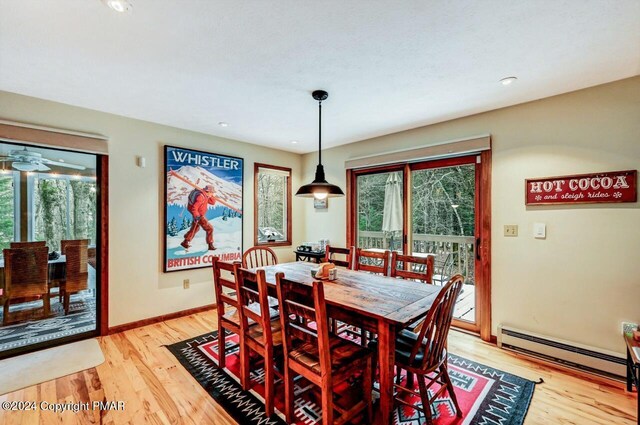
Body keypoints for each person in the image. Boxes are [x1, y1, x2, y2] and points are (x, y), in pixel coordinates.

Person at [181, 185, 217, 251]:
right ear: (208, 191)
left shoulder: (206, 196)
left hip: (198, 214)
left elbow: (212, 203)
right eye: (212, 192)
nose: (213, 194)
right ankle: (210, 245)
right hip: (199, 215)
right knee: (210, 228)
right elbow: (194, 208)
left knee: (195, 228)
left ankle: (185, 242)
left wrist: (211, 196)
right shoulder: (201, 197)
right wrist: (197, 216)